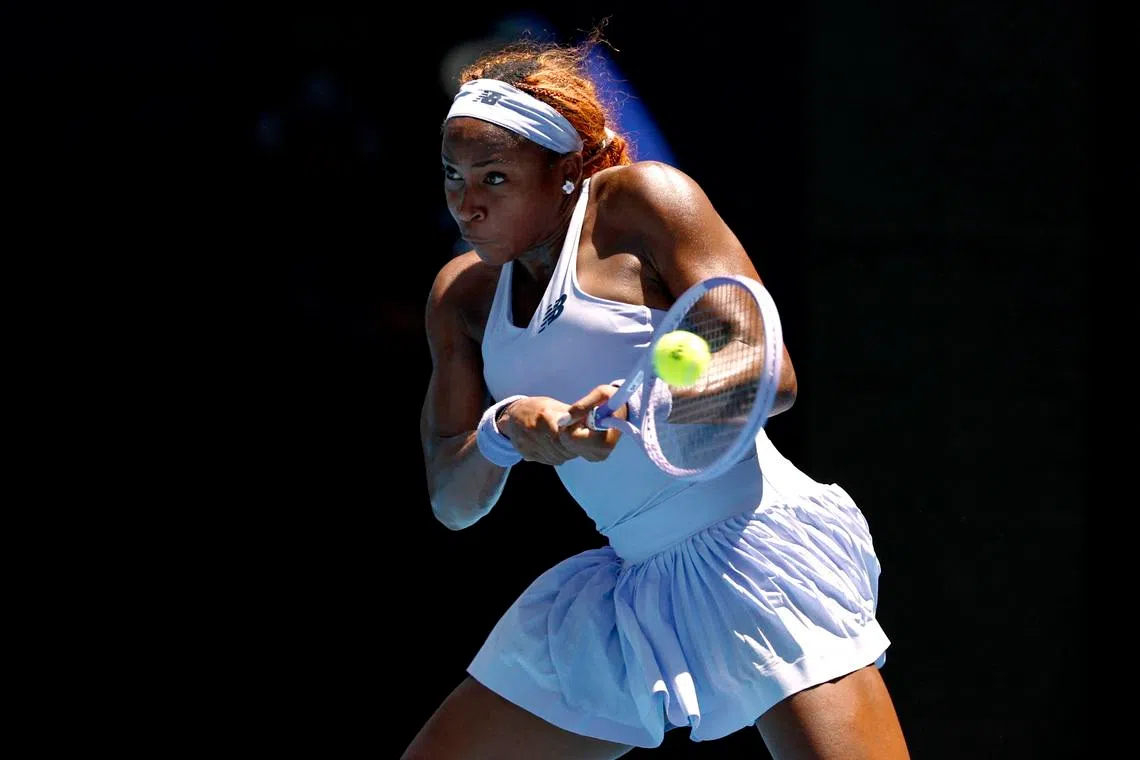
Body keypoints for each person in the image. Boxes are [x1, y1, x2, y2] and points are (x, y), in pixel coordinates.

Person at [405, 28, 910, 760]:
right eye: (453, 176)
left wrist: (638, 414)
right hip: (627, 590)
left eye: (495, 178)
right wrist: (507, 429)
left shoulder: (642, 201)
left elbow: (770, 371)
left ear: (567, 171)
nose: (467, 205)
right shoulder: (460, 298)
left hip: (755, 548)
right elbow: (453, 500)